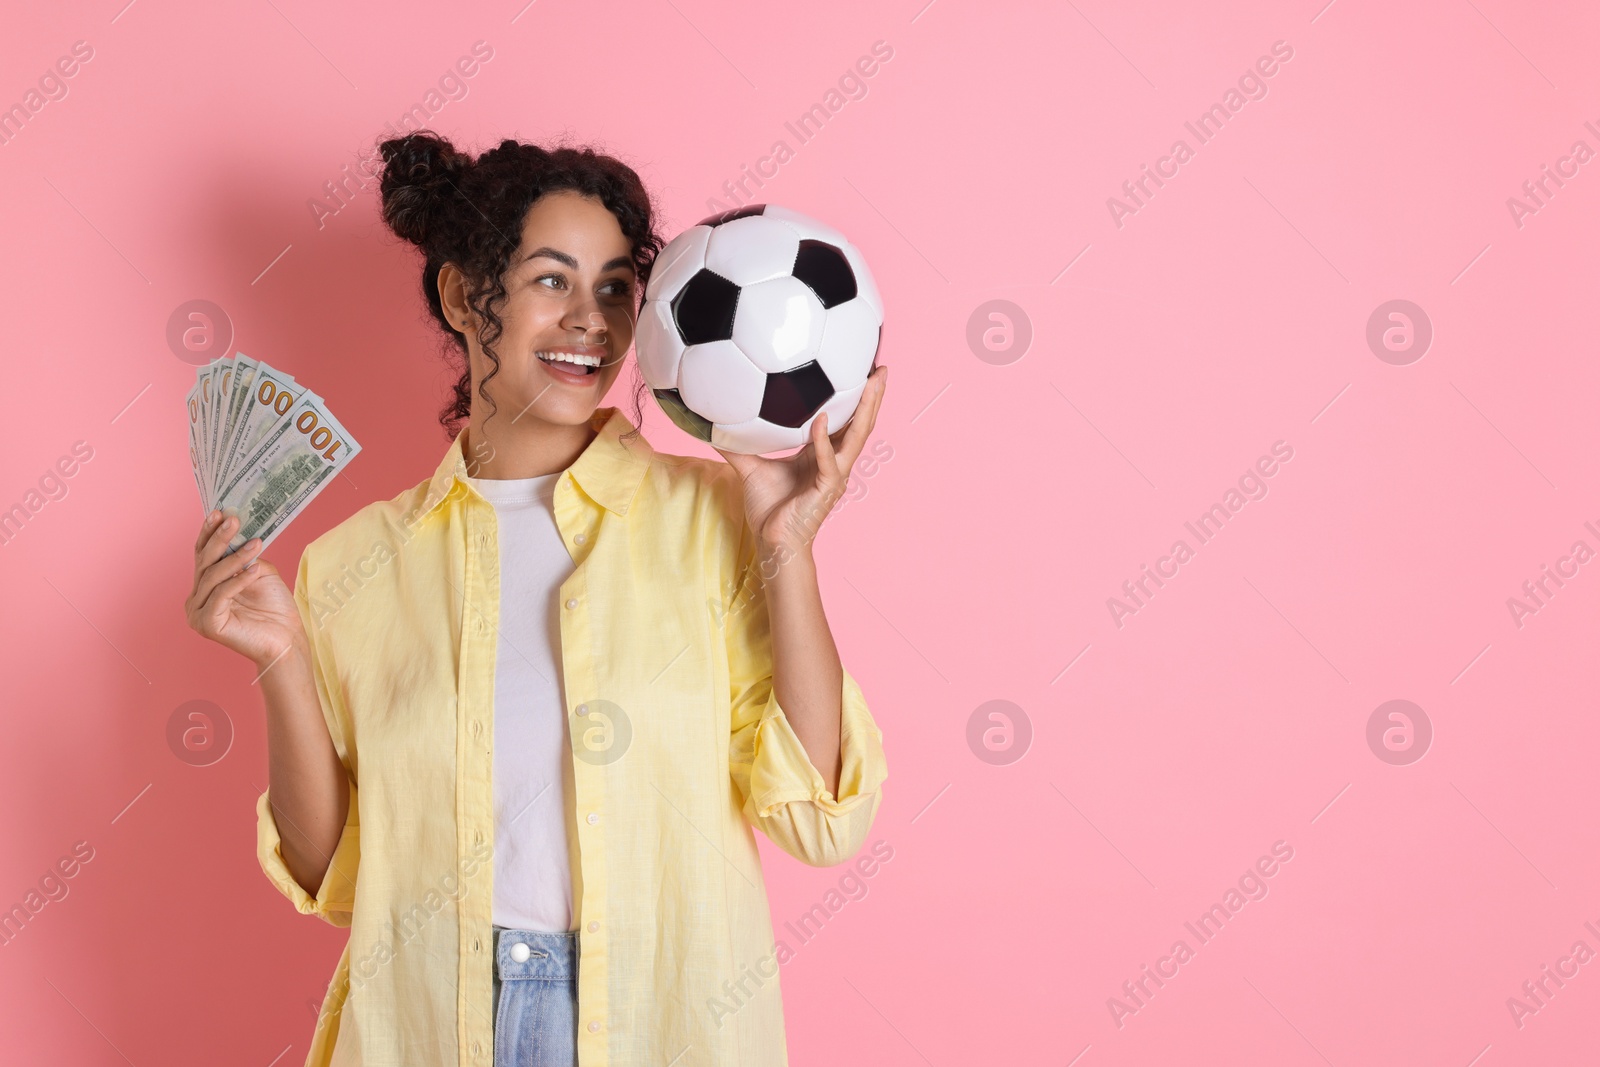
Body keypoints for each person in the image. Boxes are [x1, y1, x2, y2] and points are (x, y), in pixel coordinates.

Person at [184, 130, 890, 1067]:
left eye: (612, 288)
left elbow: (823, 822)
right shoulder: (353, 564)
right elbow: (337, 877)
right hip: (435, 1024)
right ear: (461, 297)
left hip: (656, 1022)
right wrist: (278, 658)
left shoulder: (715, 521)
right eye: (551, 280)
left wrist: (787, 550)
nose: (589, 321)